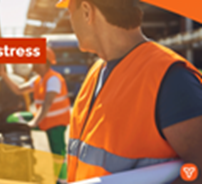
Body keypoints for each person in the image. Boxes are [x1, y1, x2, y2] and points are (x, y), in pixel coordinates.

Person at [55, 0, 202, 183]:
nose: (70, 22)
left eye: (70, 13)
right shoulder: (96, 71)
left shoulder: (171, 79)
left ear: (87, 12)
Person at [0, 47, 71, 184]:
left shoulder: (53, 79)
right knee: (15, 118)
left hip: (56, 123)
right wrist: (3, 75)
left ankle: (63, 181)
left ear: (43, 62)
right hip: (44, 120)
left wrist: (34, 123)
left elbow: (47, 104)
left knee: (58, 155)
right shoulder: (38, 80)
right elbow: (19, 90)